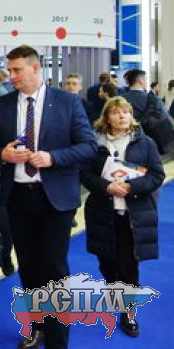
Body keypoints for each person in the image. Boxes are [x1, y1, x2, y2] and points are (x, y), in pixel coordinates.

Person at [0, 45, 96, 349]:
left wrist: (53, 157)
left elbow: (88, 146)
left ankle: (57, 340)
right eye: (9, 70)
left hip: (55, 199)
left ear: (35, 68)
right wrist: (3, 154)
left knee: (54, 268)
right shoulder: (3, 104)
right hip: (17, 198)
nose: (11, 76)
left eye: (17, 70)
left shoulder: (68, 102)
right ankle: (36, 327)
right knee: (28, 266)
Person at [80, 97, 164, 338]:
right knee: (106, 261)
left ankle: (128, 312)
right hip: (102, 212)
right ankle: (114, 288)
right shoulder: (95, 144)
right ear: (107, 117)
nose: (122, 116)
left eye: (125, 112)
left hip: (133, 215)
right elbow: (84, 174)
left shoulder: (145, 143)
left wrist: (131, 186)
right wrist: (106, 186)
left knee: (128, 264)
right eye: (116, 112)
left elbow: (157, 175)